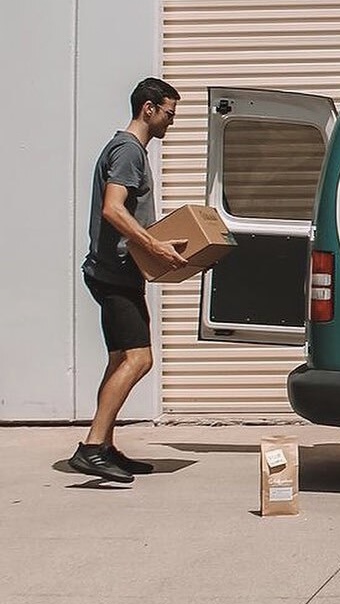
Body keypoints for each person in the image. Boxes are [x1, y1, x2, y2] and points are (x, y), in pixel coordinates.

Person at [69, 78, 189, 483]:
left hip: (115, 273)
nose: (171, 123)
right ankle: (90, 448)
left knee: (121, 359)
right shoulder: (128, 151)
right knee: (140, 359)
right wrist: (153, 246)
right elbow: (113, 210)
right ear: (149, 109)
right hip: (114, 274)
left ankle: (102, 445)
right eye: (169, 114)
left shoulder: (126, 149)